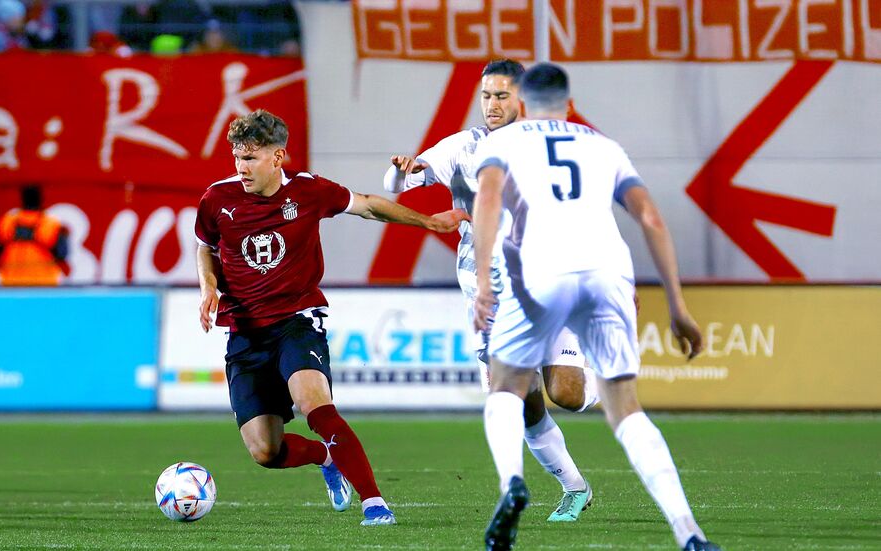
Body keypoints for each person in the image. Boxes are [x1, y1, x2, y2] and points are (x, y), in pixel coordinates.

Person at [472, 63, 720, 551]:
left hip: (539, 273)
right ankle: (689, 533)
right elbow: (650, 217)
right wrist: (677, 305)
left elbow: (488, 201)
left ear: (522, 102)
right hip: (607, 271)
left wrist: (484, 281)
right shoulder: (603, 146)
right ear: (568, 103)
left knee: (506, 386)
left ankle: (512, 484)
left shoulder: (502, 143)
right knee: (626, 409)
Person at [194, 109, 468, 527]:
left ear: (277, 157)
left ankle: (374, 502)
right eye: (237, 157)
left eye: (250, 158)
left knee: (315, 405)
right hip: (245, 331)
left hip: (297, 320)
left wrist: (429, 221)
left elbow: (369, 206)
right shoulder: (217, 199)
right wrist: (208, 288)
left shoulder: (309, 191)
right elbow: (206, 246)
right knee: (265, 451)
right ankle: (326, 457)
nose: (241, 167)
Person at [384, 59, 596, 522]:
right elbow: (399, 183)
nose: (492, 104)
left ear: (522, 98)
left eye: (502, 95)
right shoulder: (463, 146)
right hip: (488, 291)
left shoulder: (549, 146)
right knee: (521, 401)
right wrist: (401, 171)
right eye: (486, 96)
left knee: (567, 395)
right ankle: (574, 488)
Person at [0, 185, 69, 286]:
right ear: (41, 200)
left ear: (22, 199)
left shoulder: (7, 222)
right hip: (45, 282)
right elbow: (62, 254)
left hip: (12, 281)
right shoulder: (52, 224)